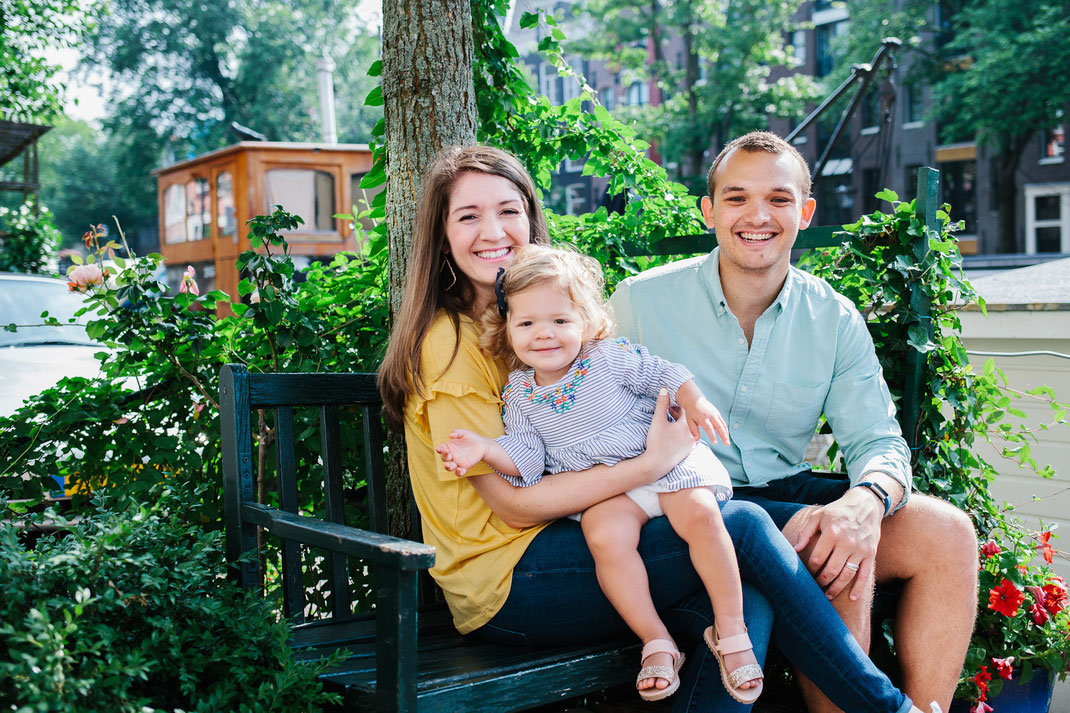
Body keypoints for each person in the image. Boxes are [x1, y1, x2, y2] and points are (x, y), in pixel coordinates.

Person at [378, 143, 935, 713]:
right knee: (740, 524)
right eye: (468, 216)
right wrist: (650, 464)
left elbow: (623, 383)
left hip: (570, 540)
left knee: (742, 597)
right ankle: (887, 708)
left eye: (508, 210)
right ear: (441, 237)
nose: (492, 230)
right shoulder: (449, 343)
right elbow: (514, 507)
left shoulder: (535, 327)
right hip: (507, 580)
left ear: (530, 220)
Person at [609, 131, 979, 713]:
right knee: (827, 539)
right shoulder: (638, 303)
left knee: (945, 534)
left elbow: (878, 438)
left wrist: (869, 499)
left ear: (805, 213)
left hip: (781, 489)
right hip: (685, 504)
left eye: (779, 200)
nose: (758, 216)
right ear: (708, 212)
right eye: (736, 198)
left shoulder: (832, 316)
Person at [434, 244, 760, 703]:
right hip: (613, 490)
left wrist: (697, 402)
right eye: (526, 323)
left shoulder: (607, 358)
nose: (543, 335)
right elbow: (526, 459)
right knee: (602, 535)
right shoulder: (521, 393)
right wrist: (485, 449)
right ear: (506, 329)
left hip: (666, 465)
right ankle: (656, 641)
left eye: (560, 321)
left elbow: (664, 374)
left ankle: (730, 628)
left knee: (702, 516)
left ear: (585, 322)